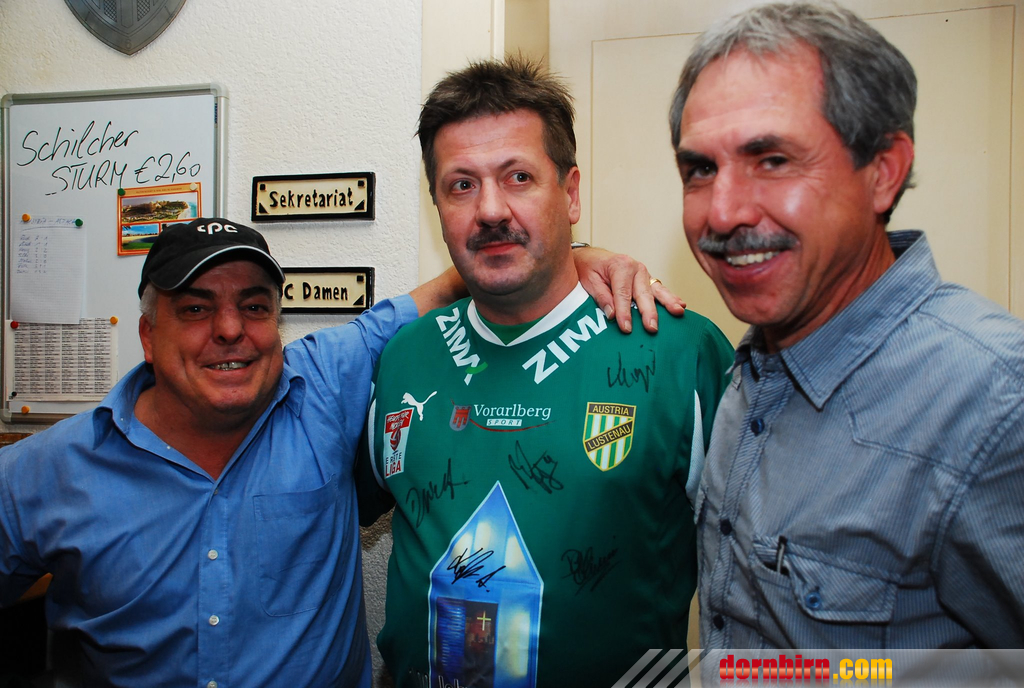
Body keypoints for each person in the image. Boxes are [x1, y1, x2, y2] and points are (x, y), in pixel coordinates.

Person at [0, 217, 676, 687]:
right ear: (149, 335)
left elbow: (453, 285)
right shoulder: (48, 470)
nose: (231, 330)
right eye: (196, 309)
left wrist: (575, 256)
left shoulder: (322, 384)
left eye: (255, 307)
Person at [360, 57, 733, 687]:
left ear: (572, 192)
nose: (490, 209)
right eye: (461, 185)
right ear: (437, 206)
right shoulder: (403, 357)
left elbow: (766, 577)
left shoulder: (678, 353)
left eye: (519, 177)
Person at [670, 2, 1024, 649]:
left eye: (772, 160)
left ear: (883, 172)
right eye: (700, 170)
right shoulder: (756, 369)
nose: (721, 213)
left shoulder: (996, 405)